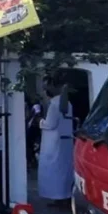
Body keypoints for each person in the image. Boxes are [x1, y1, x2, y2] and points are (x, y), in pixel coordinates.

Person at [38, 76, 75, 207]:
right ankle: (64, 197)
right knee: (64, 170)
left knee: (54, 171)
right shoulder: (67, 103)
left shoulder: (54, 103)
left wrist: (40, 121)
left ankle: (58, 198)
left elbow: (50, 124)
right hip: (65, 142)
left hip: (54, 143)